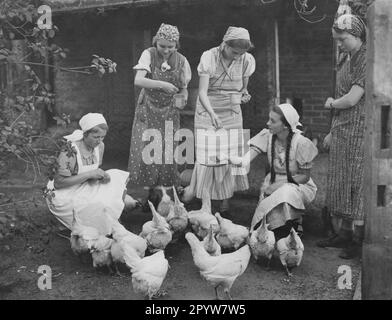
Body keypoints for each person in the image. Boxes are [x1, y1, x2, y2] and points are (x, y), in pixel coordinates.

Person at [183, 26, 255, 214]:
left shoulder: (246, 60)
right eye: (234, 52)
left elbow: (243, 90)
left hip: (232, 111)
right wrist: (213, 114)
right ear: (224, 44)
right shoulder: (209, 57)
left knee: (229, 156)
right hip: (208, 109)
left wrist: (245, 95)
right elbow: (202, 92)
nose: (237, 56)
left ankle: (225, 202)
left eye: (241, 53)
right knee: (208, 156)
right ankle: (203, 199)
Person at [317, 14, 367, 259]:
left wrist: (331, 103)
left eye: (342, 39)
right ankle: (343, 234)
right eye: (336, 40)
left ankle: (359, 240)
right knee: (340, 183)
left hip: (359, 131)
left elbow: (353, 98)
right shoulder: (348, 59)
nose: (339, 44)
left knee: (356, 186)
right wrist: (332, 130)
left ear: (357, 36)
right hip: (342, 129)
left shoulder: (366, 59)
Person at [229, 104, 318, 239]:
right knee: (266, 222)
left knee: (285, 192)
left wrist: (281, 184)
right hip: (272, 181)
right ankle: (277, 231)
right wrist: (230, 159)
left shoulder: (301, 143)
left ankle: (294, 224)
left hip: (298, 183)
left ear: (285, 126)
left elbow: (304, 177)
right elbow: (244, 161)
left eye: (273, 121)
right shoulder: (267, 136)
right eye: (269, 119)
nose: (268, 123)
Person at [45, 113, 137, 233]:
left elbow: (95, 168)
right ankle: (103, 228)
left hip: (85, 184)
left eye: (102, 137)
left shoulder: (100, 147)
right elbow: (59, 183)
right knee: (98, 204)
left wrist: (100, 176)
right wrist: (89, 175)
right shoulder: (69, 151)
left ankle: (111, 223)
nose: (99, 141)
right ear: (85, 134)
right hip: (66, 192)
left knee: (115, 182)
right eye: (96, 137)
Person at [128, 23, 192, 191]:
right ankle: (147, 192)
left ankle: (165, 191)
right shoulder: (148, 54)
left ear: (176, 45)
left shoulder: (182, 61)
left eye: (170, 47)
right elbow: (138, 80)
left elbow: (184, 87)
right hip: (148, 107)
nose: (165, 50)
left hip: (169, 109)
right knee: (147, 147)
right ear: (155, 42)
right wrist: (162, 85)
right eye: (161, 46)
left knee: (167, 148)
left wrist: (183, 97)